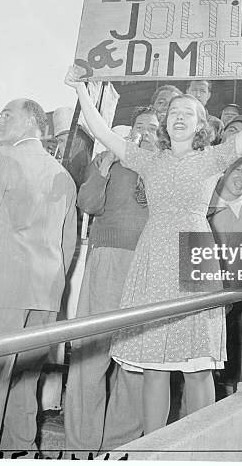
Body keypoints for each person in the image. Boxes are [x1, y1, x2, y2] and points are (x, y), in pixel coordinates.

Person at [65, 58, 242, 434]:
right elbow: (101, 130)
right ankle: (153, 448)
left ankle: (200, 443)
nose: (179, 117)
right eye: (174, 112)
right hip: (152, 257)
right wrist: (80, 88)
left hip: (194, 255)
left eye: (189, 113)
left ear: (201, 125)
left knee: (197, 365)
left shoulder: (214, 158)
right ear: (165, 123)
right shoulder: (148, 159)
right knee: (153, 366)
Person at [0, 98, 77, 454]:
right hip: (45, 295)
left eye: (7, 113)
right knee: (25, 386)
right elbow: (67, 244)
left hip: (0, 291)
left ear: (31, 122)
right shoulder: (64, 175)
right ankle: (20, 454)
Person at [64, 106, 159, 456]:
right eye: (139, 126)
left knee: (136, 357)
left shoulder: (166, 165)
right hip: (108, 260)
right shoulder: (108, 157)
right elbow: (87, 203)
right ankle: (80, 443)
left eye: (152, 128)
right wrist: (101, 172)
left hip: (149, 265)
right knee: (92, 352)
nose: (145, 133)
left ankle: (119, 444)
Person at [208, 148, 242, 392]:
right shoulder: (203, 202)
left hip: (227, 302)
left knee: (215, 374)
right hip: (196, 300)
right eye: (238, 170)